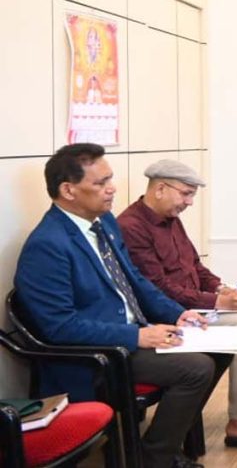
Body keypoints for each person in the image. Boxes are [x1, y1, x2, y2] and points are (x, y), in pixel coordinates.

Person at [15, 144, 226, 468]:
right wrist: (137, 337)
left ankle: (160, 447)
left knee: (221, 348)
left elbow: (136, 280)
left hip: (132, 333)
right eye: (101, 183)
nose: (112, 188)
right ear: (68, 190)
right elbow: (59, 326)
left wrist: (177, 312)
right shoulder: (48, 244)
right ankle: (154, 458)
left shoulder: (104, 223)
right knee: (196, 368)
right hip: (100, 353)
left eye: (110, 179)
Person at [117, 159, 237, 449]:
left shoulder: (171, 219)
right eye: (186, 194)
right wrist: (219, 301)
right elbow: (158, 288)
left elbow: (195, 266)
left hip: (197, 307)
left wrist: (222, 288)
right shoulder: (131, 227)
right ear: (159, 189)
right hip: (172, 315)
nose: (190, 202)